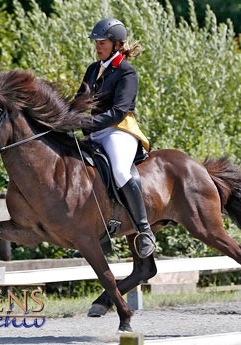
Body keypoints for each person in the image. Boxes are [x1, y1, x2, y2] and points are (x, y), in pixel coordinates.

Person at [76, 18, 155, 259]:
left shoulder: (126, 71)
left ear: (116, 44)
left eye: (103, 42)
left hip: (119, 130)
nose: (98, 46)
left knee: (120, 171)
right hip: (95, 131)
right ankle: (101, 234)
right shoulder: (93, 69)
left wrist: (88, 122)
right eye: (97, 42)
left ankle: (144, 231)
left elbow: (120, 110)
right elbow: (80, 100)